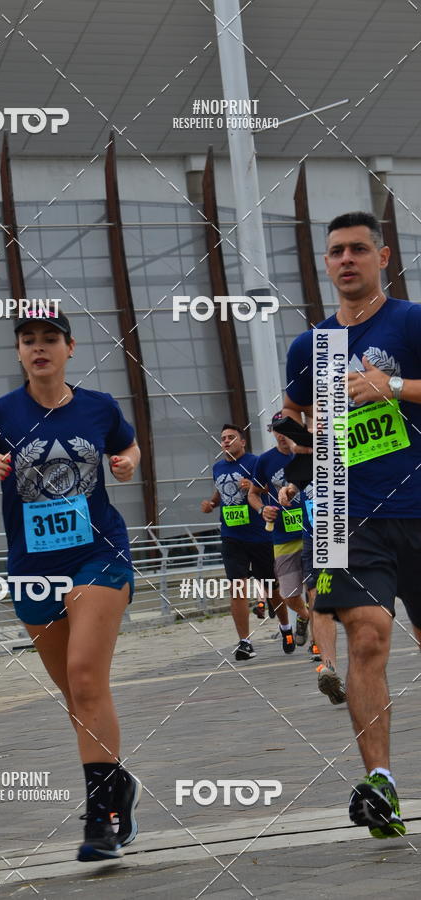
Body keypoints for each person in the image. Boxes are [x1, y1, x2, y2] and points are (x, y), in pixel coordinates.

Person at [0, 305, 142, 862]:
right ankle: (119, 784)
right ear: (18, 353)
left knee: (86, 678)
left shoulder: (98, 407)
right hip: (33, 567)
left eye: (50, 339)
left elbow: (126, 446)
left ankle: (100, 819)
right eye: (29, 340)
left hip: (98, 553)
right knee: (75, 694)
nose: (40, 348)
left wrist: (126, 462)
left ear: (70, 348)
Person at [283, 210, 421, 839]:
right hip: (344, 509)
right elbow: (295, 412)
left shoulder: (412, 322)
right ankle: (383, 785)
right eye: (336, 251)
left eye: (358, 250)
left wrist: (390, 384)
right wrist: (297, 436)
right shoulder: (309, 344)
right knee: (367, 637)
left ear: (383, 257)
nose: (346, 260)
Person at [200, 424, 276, 661]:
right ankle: (245, 642)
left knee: (273, 588)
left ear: (242, 442)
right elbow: (220, 491)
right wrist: (211, 504)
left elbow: (271, 489)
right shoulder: (218, 467)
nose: (226, 441)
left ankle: (286, 627)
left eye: (231, 437)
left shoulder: (256, 462)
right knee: (237, 587)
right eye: (223, 438)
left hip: (260, 535)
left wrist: (255, 488)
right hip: (232, 536)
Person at [278, 479, 346, 704]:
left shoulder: (343, 448)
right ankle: (330, 670)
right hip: (313, 539)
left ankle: (364, 672)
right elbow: (294, 483)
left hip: (348, 532)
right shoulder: (301, 458)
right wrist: (287, 490)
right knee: (318, 597)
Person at [248, 414, 311, 653]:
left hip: (311, 531)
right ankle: (304, 615)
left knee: (314, 589)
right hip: (283, 536)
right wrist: (263, 509)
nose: (282, 434)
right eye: (277, 429)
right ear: (272, 432)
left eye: (286, 428)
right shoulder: (265, 461)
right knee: (288, 594)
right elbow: (253, 494)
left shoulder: (307, 452)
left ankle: (320, 646)